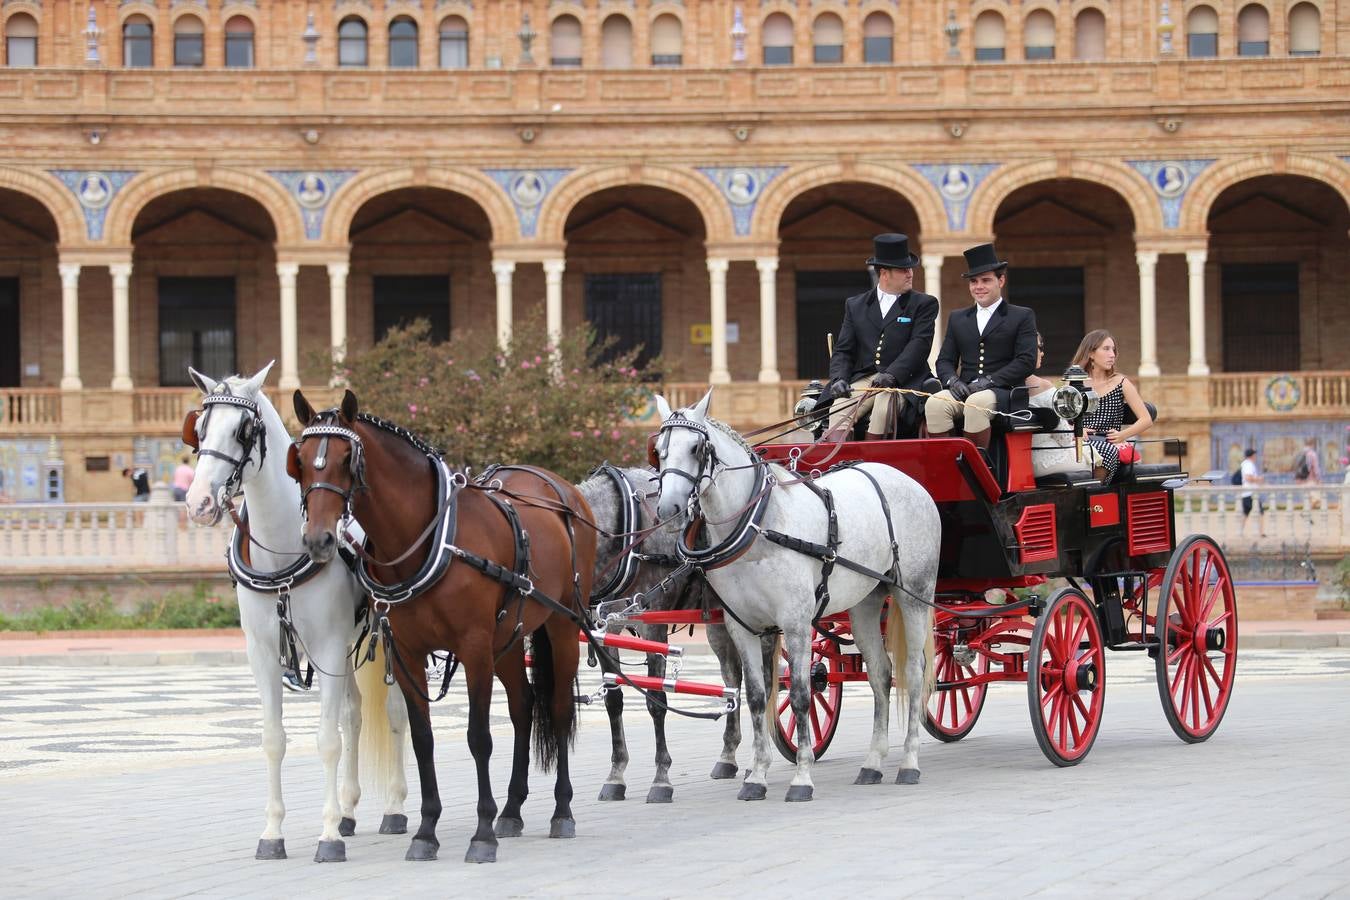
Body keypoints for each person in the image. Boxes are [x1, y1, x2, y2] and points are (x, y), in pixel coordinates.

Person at [824, 233, 938, 440]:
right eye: (903, 270)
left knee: (883, 408)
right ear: (884, 273)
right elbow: (844, 349)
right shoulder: (856, 304)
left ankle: (872, 463)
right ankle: (840, 466)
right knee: (839, 408)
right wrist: (839, 378)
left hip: (904, 380)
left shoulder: (924, 304)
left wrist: (893, 374)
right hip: (865, 379)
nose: (910, 274)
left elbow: (919, 346)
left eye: (910, 268)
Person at [924, 242, 1038, 450]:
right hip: (965, 388)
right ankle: (947, 466)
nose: (979, 286)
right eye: (974, 281)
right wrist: (952, 381)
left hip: (1004, 391)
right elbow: (945, 360)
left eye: (986, 280)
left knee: (976, 404)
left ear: (1001, 280)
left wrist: (990, 380)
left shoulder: (1021, 315)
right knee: (935, 403)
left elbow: (1026, 361)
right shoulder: (958, 318)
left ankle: (976, 469)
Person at [1074, 329, 1153, 482]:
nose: (1112, 354)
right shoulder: (1075, 382)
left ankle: (1095, 494)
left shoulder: (1120, 382)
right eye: (1106, 349)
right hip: (1081, 440)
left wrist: (1123, 435)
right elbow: (1064, 418)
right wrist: (1077, 429)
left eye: (1113, 350)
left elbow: (1146, 419)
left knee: (1105, 451)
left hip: (1108, 441)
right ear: (1090, 353)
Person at [1024, 333, 1103, 478]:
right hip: (1043, 460)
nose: (1042, 352)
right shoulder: (1043, 386)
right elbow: (1064, 438)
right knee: (1096, 453)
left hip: (1016, 462)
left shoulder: (1001, 387)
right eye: (1039, 347)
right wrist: (1074, 431)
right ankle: (1094, 500)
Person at [1239, 447, 1266, 537]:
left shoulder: (1245, 464)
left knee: (1245, 513)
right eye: (1254, 454)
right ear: (1252, 455)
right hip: (1250, 493)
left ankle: (1240, 532)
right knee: (1260, 512)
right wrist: (1259, 479)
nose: (1256, 456)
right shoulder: (1249, 464)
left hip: (1246, 493)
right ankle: (1261, 532)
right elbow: (1248, 478)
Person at [1293, 437, 1322, 509]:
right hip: (1310, 480)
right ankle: (1305, 513)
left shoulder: (1300, 453)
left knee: (1307, 500)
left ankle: (1307, 517)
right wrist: (1319, 479)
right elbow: (1316, 468)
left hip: (1300, 480)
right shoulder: (1312, 454)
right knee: (1317, 498)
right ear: (1312, 444)